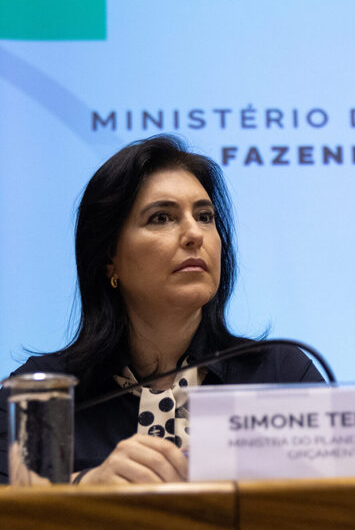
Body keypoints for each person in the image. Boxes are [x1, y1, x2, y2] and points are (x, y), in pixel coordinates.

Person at [0, 135, 323, 484]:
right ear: (110, 258)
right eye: (162, 218)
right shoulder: (42, 397)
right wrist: (85, 488)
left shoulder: (279, 375)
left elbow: (342, 509)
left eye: (204, 216)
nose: (193, 234)